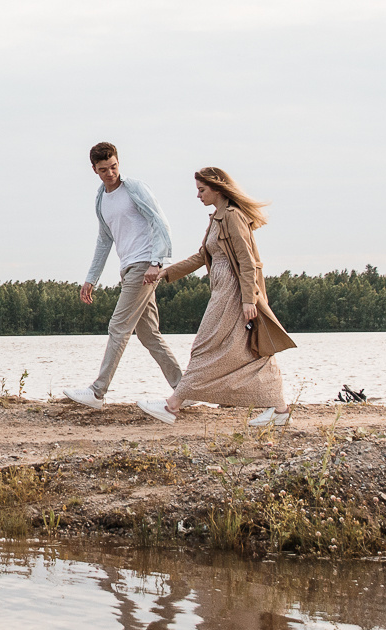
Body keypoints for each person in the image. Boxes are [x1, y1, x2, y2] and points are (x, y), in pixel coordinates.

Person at [154, 166, 292, 425]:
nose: (198, 195)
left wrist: (249, 299)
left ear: (217, 188)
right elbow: (201, 256)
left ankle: (173, 405)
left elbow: (246, 260)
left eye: (202, 190)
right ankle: (280, 410)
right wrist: (166, 273)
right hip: (221, 291)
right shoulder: (216, 218)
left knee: (205, 345)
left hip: (233, 292)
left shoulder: (232, 216)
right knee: (247, 350)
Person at [64, 141, 183, 416]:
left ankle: (97, 391)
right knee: (149, 334)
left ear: (119, 163)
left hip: (144, 266)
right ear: (94, 169)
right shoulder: (101, 199)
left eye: (114, 167)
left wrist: (157, 261)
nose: (110, 173)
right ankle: (185, 389)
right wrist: (91, 277)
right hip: (128, 268)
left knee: (118, 326)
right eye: (104, 169)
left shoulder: (135, 188)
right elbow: (104, 240)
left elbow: (160, 222)